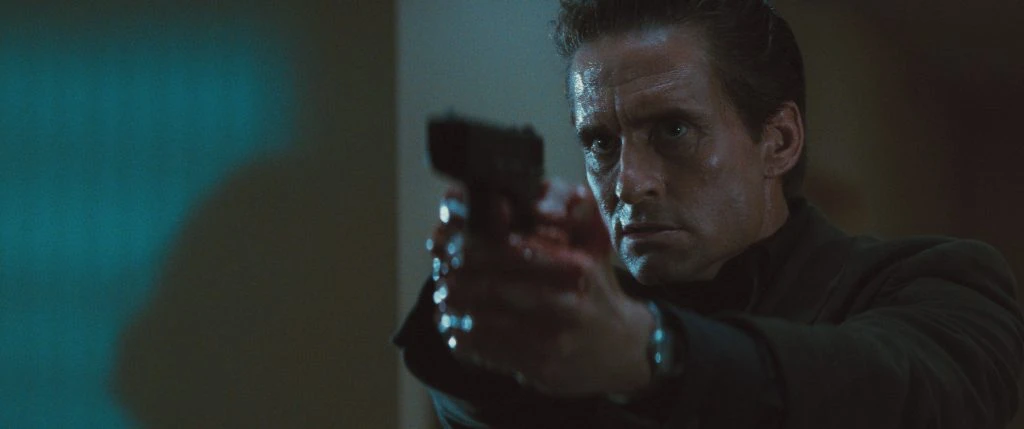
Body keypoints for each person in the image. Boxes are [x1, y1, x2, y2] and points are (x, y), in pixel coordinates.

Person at [393, 1, 1024, 428]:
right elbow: (487, 407)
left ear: (779, 142)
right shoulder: (593, 319)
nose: (628, 182)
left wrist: (651, 354)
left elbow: (902, 396)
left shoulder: (932, 282)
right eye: (601, 144)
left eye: (673, 130)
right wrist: (487, 303)